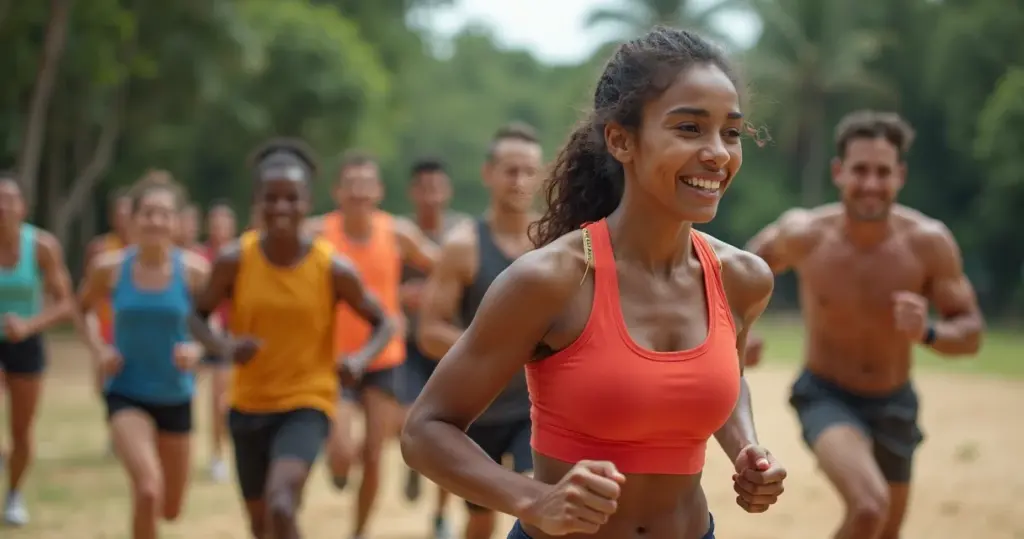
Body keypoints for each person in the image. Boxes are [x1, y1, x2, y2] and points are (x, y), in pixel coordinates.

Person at [401, 27, 787, 539]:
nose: (718, 152)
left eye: (731, 133)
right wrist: (535, 499)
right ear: (621, 140)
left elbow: (725, 376)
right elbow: (425, 430)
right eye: (690, 128)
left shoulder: (742, 279)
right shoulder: (552, 280)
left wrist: (746, 448)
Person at [744, 110, 984, 539]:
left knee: (883, 532)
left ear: (900, 176)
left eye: (882, 172)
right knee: (870, 507)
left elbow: (971, 334)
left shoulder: (928, 243)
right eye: (860, 170)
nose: (871, 183)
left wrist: (927, 332)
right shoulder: (805, 235)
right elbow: (740, 269)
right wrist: (740, 328)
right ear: (838, 171)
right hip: (825, 394)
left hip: (895, 404)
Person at [188, 139, 396, 539]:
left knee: (282, 503)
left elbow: (384, 322)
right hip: (247, 405)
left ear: (307, 202)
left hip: (307, 402)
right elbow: (196, 317)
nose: (281, 207)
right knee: (261, 525)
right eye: (271, 198)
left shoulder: (331, 267)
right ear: (257, 201)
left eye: (292, 198)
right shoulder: (235, 260)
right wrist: (225, 347)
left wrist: (359, 359)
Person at [415, 123, 543, 539]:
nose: (519, 180)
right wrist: (494, 353)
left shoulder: (553, 242)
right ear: (489, 173)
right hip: (478, 411)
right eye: (510, 170)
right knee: (481, 518)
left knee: (539, 500)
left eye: (529, 171)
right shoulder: (463, 246)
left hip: (537, 408)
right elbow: (429, 329)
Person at [304, 150, 439, 539]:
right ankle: (338, 464)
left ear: (378, 191)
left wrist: (422, 294)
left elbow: (445, 267)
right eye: (352, 184)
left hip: (383, 355)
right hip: (334, 358)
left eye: (367, 184)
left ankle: (359, 531)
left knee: (375, 456)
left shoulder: (396, 232)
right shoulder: (318, 234)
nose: (360, 192)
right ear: (337, 191)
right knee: (342, 450)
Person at [76, 175, 208, 538]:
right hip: (126, 392)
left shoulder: (195, 271)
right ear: (133, 219)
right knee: (148, 489)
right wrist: (100, 349)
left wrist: (197, 349)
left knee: (171, 508)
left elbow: (214, 322)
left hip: (175, 395)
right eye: (148, 212)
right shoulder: (109, 267)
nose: (156, 221)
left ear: (177, 222)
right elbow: (82, 309)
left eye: (165, 214)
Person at [397, 157, 469, 538]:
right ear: (413, 192)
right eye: (423, 188)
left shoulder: (463, 234)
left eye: (437, 188)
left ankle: (440, 514)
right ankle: (411, 461)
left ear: (448, 191)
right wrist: (400, 296)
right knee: (406, 417)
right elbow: (379, 286)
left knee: (448, 432)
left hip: (449, 346)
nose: (431, 196)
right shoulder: (400, 235)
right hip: (408, 345)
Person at [0, 172, 76, 526]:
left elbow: (65, 303)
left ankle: (14, 495)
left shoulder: (42, 246)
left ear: (23, 207)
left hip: (25, 343)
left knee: (21, 429)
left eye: (9, 200)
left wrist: (29, 325)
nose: (2, 207)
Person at [197, 201, 237, 482]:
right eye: (215, 225)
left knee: (222, 401)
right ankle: (213, 454)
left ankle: (221, 453)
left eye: (224, 225)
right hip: (205, 334)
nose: (219, 230)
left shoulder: (240, 256)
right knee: (204, 398)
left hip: (231, 336)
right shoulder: (201, 258)